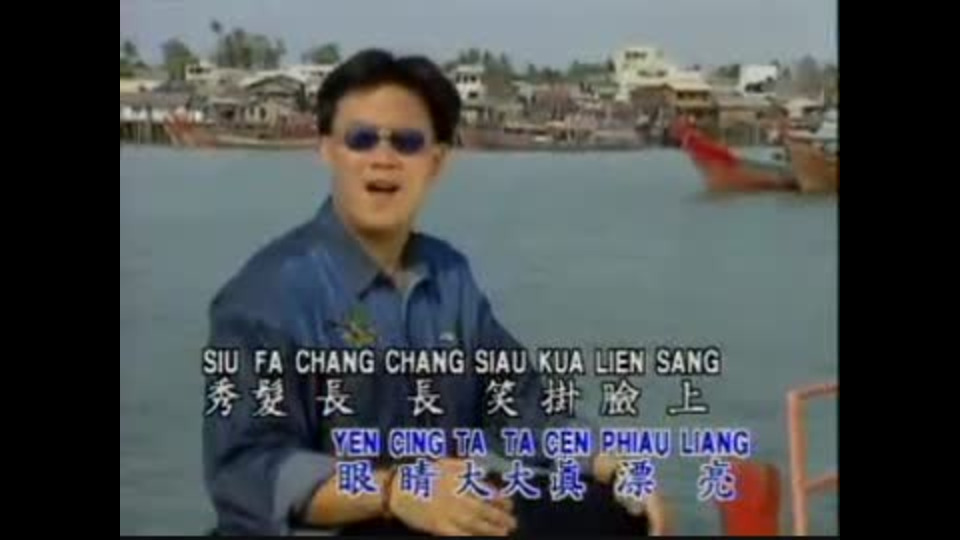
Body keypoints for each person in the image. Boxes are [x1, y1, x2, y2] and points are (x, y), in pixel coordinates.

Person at [202, 48, 672, 536]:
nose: (383, 159)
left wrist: (608, 462)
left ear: (437, 161)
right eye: (361, 139)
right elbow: (244, 468)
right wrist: (392, 490)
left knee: (614, 509)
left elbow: (517, 401)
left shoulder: (448, 278)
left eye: (406, 142)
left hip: (435, 524)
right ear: (326, 150)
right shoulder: (266, 295)